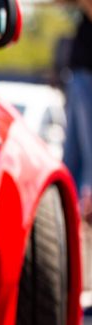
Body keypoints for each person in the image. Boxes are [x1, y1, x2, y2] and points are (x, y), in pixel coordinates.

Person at [64, 0, 92, 221]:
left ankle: (86, 205)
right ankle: (70, 211)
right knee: (72, 155)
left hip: (88, 76)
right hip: (79, 74)